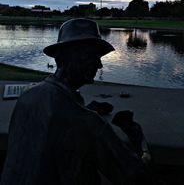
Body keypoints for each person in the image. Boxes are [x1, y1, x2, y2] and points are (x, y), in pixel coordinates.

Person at [1, 18, 150, 185]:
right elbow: (135, 175)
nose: (99, 65)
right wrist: (141, 145)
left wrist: (83, 108)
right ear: (67, 58)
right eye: (92, 57)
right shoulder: (88, 123)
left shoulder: (27, 96)